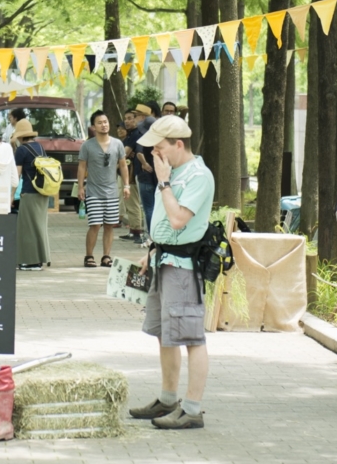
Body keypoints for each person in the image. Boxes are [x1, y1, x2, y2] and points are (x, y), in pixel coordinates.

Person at [129, 115, 214, 430]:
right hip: (163, 260)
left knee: (191, 337)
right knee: (165, 335)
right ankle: (168, 398)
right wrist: (151, 250)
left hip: (184, 267)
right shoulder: (175, 171)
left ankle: (191, 408)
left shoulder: (198, 176)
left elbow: (179, 219)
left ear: (179, 145)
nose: (154, 154)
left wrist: (163, 182)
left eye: (159, 148)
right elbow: (166, 223)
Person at [77, 110, 129, 269]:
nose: (103, 125)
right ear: (93, 126)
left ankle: (106, 256)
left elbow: (123, 165)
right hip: (93, 191)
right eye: (99, 122)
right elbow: (82, 166)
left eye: (105, 122)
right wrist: (80, 187)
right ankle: (89, 256)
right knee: (95, 224)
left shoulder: (117, 144)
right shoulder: (87, 145)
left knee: (109, 225)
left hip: (112, 191)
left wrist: (126, 185)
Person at [13, 119, 50, 270]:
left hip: (29, 193)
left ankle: (31, 262)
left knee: (27, 228)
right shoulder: (40, 147)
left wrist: (11, 195)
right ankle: (41, 258)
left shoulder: (21, 150)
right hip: (43, 192)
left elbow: (16, 176)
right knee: (39, 226)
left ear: (20, 136)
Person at [133, 103, 160, 233]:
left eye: (137, 115)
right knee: (157, 208)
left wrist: (144, 163)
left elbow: (139, 152)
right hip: (159, 176)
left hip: (145, 176)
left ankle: (151, 236)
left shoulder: (142, 135)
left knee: (148, 208)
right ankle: (157, 235)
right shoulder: (160, 138)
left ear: (143, 117)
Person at [120, 110, 145, 244]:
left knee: (133, 202)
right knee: (129, 202)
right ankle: (133, 231)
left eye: (130, 118)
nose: (127, 121)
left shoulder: (136, 134)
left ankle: (137, 231)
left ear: (137, 119)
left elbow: (124, 153)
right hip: (130, 173)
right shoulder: (130, 135)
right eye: (126, 119)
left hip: (133, 172)